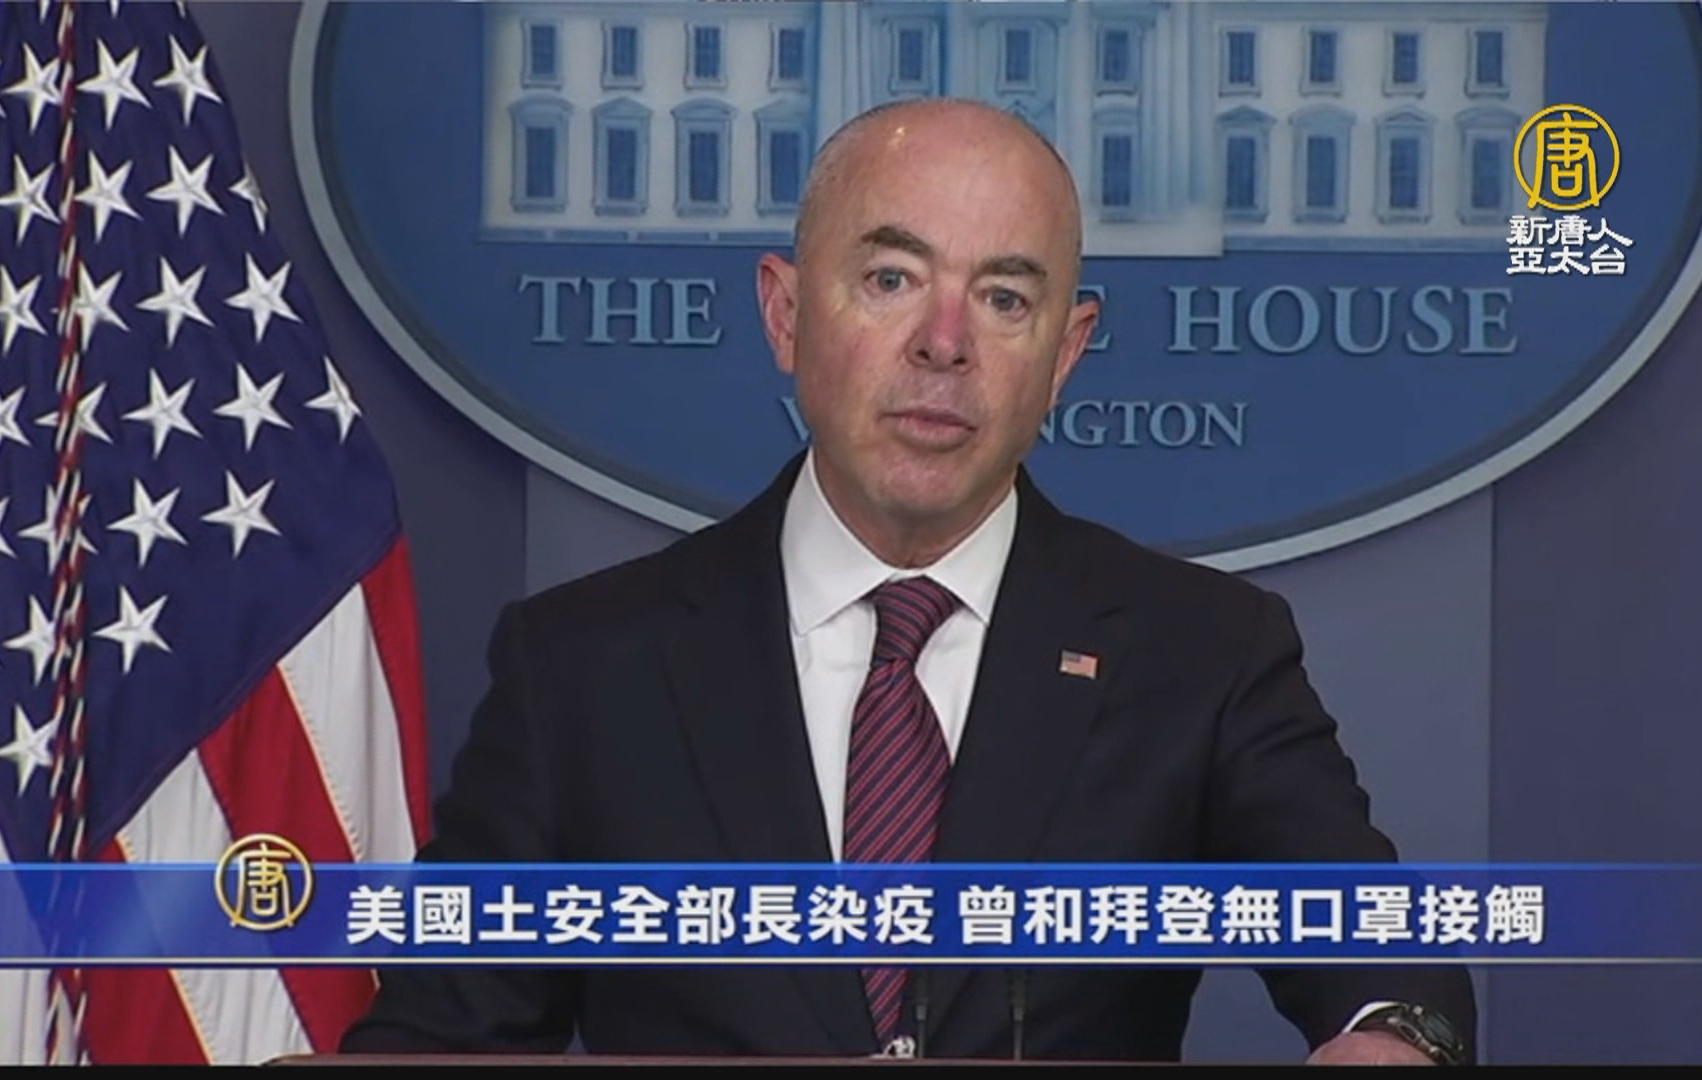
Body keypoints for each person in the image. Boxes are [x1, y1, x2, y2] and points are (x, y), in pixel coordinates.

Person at [341, 98, 1475, 1063]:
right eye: (891, 278)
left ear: (1065, 355)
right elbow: (444, 1034)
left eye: (1005, 298)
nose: (945, 343)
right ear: (786, 313)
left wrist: (1391, 1037)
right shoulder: (584, 667)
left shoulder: (1203, 653)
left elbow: (1385, 957)